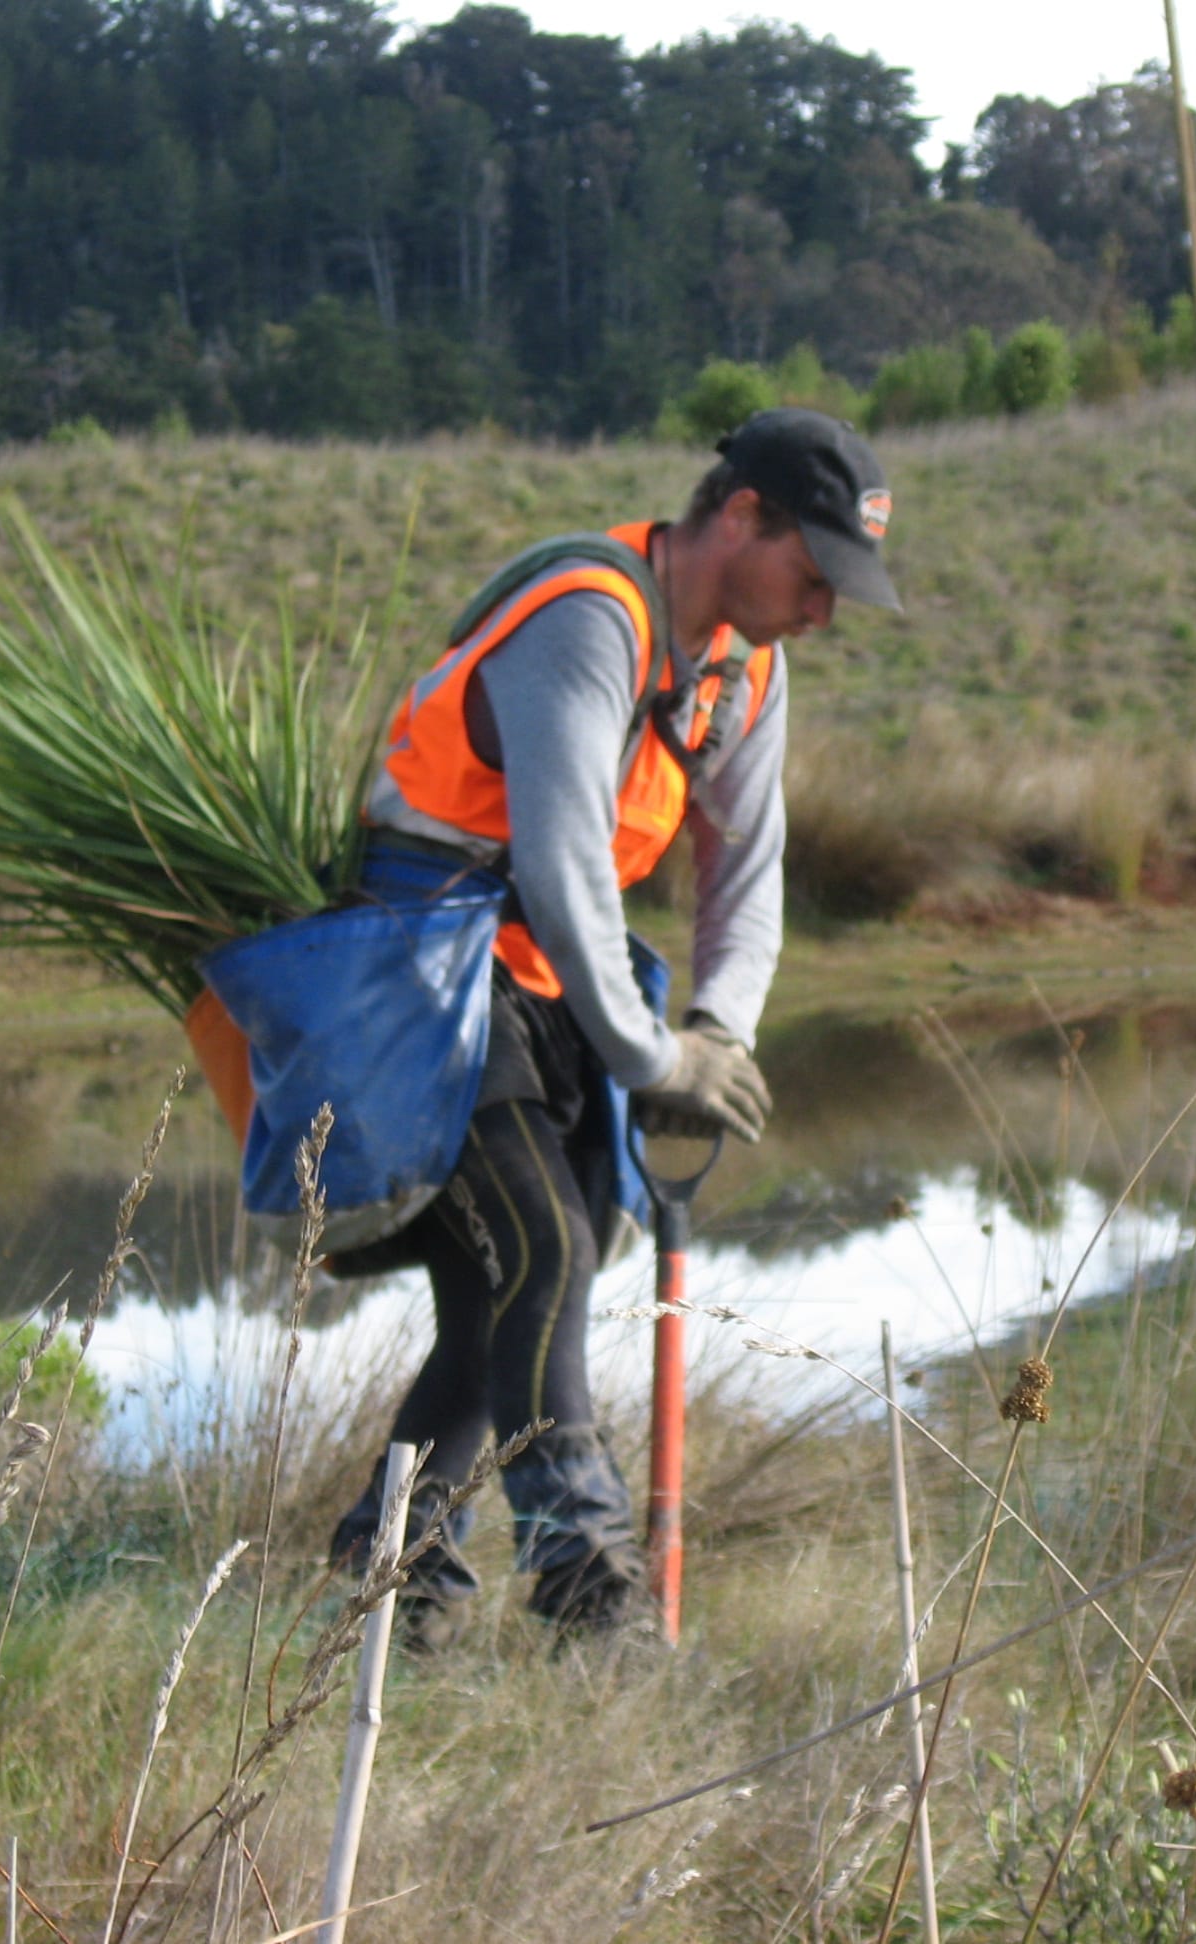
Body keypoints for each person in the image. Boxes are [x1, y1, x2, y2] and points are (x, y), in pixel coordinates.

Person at [327, 409, 900, 1640]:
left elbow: (749, 872)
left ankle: (387, 1570)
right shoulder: (592, 618)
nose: (821, 612)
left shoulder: (745, 670)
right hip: (420, 968)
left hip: (542, 981)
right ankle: (591, 1596)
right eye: (815, 575)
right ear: (741, 517)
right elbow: (562, 866)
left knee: (522, 1282)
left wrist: (720, 1032)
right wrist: (654, 1056)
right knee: (543, 1250)